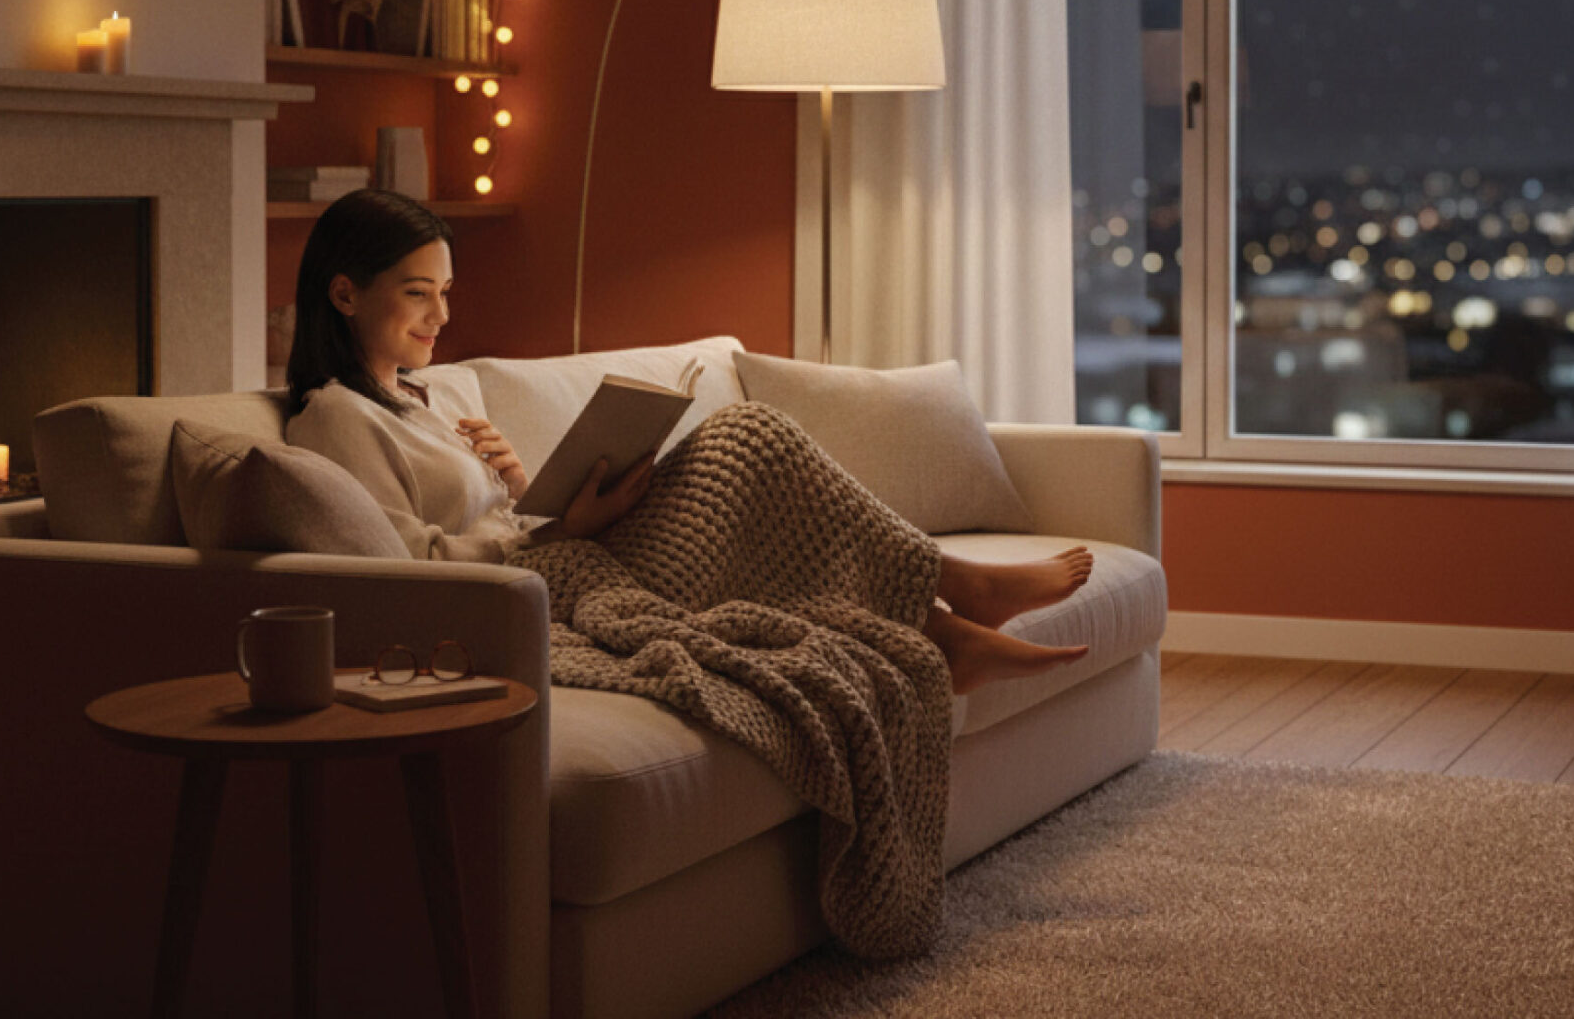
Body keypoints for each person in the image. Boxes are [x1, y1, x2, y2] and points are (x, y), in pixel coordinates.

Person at [284, 189, 1090, 694]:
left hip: (561, 551)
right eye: (418, 293)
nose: (441, 316)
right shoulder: (333, 420)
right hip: (546, 588)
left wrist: (522, 488)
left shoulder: (422, 401)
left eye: (447, 292)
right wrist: (555, 532)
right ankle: (955, 595)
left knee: (752, 443)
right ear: (345, 292)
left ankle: (949, 630)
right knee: (748, 435)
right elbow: (400, 568)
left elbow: (501, 527)